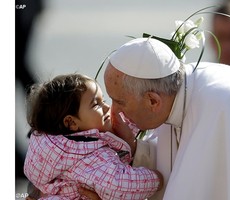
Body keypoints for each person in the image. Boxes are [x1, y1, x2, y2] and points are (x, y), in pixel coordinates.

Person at [81, 37, 230, 200]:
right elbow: (178, 163)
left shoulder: (224, 109)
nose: (114, 111)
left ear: (153, 101)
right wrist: (134, 147)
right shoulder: (180, 89)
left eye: (120, 102)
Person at [23, 73, 163, 199]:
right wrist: (156, 179)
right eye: (96, 104)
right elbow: (118, 184)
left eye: (104, 100)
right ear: (71, 122)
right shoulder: (87, 156)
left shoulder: (58, 148)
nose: (107, 108)